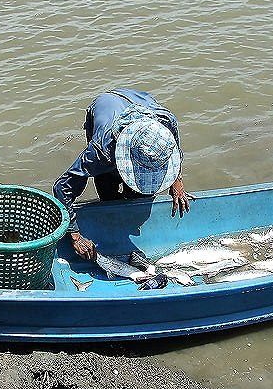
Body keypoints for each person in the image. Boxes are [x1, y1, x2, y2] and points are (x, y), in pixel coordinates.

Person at [53, 88, 193, 260]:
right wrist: (73, 233)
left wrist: (176, 180)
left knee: (141, 194)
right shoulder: (100, 151)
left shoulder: (166, 123)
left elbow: (175, 147)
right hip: (105, 106)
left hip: (140, 100)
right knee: (107, 189)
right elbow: (62, 188)